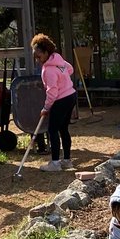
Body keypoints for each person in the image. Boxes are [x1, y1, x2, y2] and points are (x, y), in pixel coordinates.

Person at [31, 33, 77, 172]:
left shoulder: (49, 70)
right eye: (35, 57)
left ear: (46, 52)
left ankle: (55, 163)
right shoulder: (58, 60)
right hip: (71, 95)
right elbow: (70, 69)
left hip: (61, 99)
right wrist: (63, 78)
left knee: (52, 130)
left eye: (39, 56)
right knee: (63, 129)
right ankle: (67, 161)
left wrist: (46, 108)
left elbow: (52, 92)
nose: (37, 60)